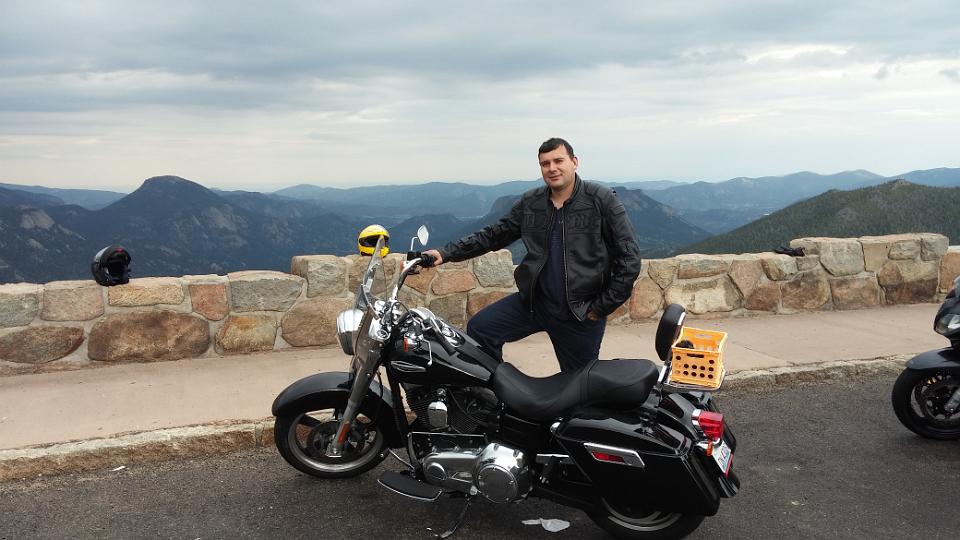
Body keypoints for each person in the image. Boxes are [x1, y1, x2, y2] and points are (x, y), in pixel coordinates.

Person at [424, 137, 641, 372]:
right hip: (534, 304)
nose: (552, 168)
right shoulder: (532, 202)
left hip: (579, 312)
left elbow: (629, 258)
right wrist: (445, 253)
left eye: (558, 161)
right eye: (545, 163)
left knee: (579, 385)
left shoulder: (601, 199)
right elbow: (494, 235)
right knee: (481, 329)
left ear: (574, 162)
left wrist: (600, 308)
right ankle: (495, 389)